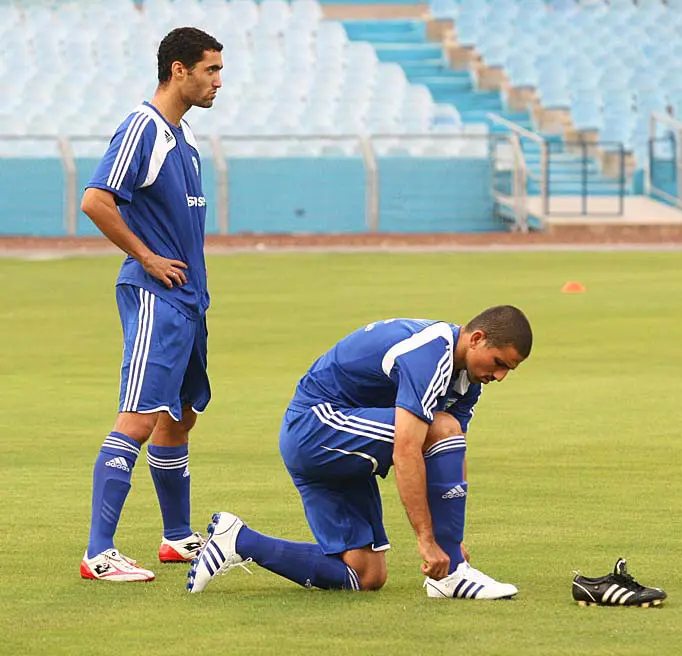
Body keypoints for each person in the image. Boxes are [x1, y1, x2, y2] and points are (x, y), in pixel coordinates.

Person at [187, 305, 533, 598]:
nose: (500, 376)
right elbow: (409, 449)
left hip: (342, 448)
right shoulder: (431, 352)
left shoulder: (467, 379)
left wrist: (451, 539)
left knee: (366, 576)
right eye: (499, 362)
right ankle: (454, 576)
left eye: (508, 370)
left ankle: (239, 540)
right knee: (439, 428)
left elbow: (449, 458)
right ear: (476, 339)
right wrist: (431, 542)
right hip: (315, 428)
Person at [78, 27, 224, 582]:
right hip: (156, 295)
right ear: (178, 70)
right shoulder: (144, 127)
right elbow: (96, 200)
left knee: (179, 416)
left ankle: (176, 537)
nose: (217, 83)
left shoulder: (184, 141)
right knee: (138, 417)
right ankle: (99, 552)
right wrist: (147, 258)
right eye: (210, 71)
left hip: (189, 300)